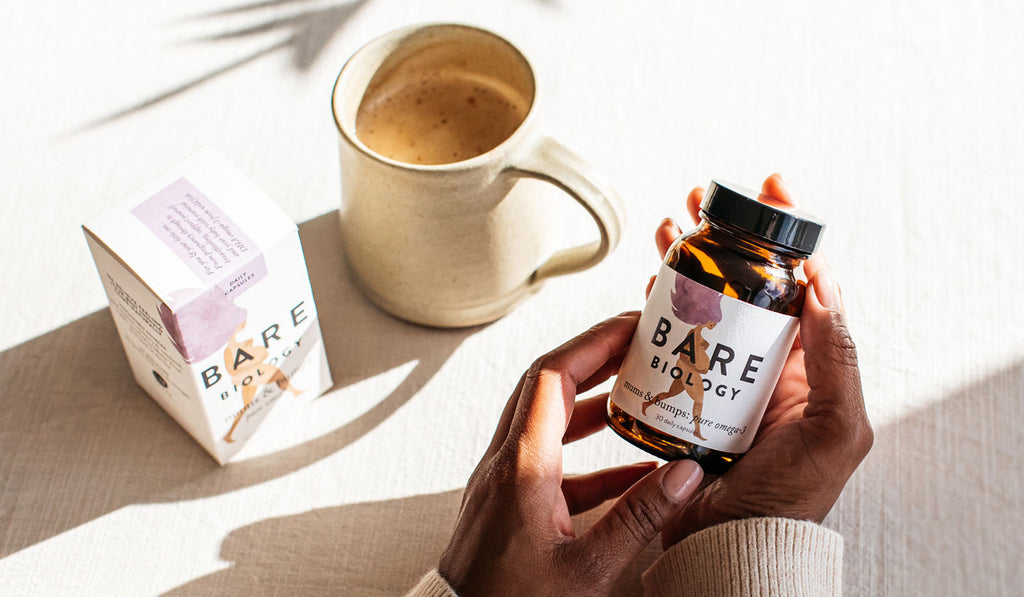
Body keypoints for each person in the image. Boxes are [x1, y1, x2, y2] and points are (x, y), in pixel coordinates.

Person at [405, 174, 873, 597]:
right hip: (678, 405)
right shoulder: (693, 252)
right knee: (680, 395)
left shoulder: (778, 287)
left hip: (708, 417)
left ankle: (679, 413)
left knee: (682, 396)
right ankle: (678, 413)